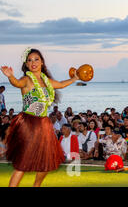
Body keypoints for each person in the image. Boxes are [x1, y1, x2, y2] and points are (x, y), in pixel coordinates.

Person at [0, 48, 80, 187]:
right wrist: (10, 76)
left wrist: (75, 78)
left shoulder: (47, 81)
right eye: (29, 60)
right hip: (28, 124)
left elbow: (60, 84)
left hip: (43, 124)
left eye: (36, 59)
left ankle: (36, 186)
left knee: (46, 161)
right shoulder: (26, 79)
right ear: (27, 64)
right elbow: (17, 83)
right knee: (22, 163)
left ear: (42, 62)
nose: (33, 62)